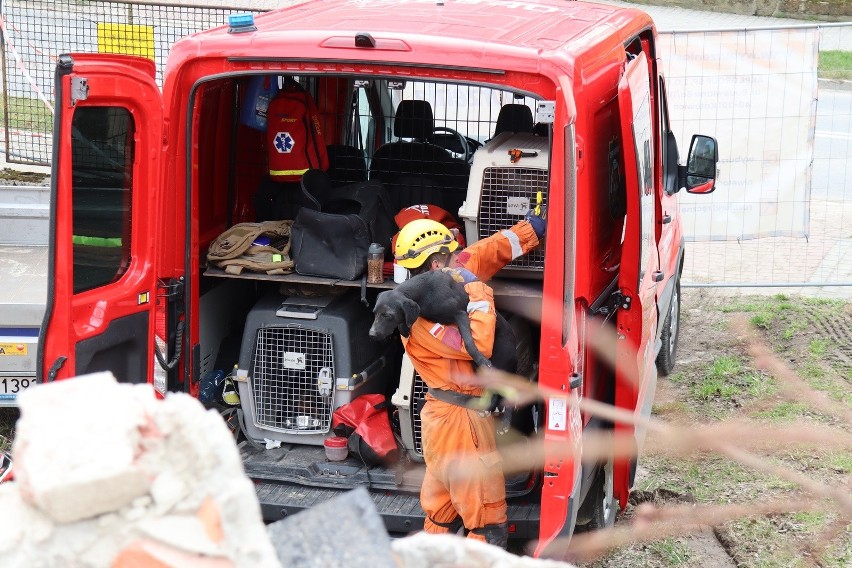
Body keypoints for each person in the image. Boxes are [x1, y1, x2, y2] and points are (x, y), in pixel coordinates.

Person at [392, 210, 546, 548]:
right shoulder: (414, 321)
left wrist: (531, 229)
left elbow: (486, 252)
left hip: (442, 421)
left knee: (441, 510)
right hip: (460, 427)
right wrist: (477, 291)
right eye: (448, 259)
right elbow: (477, 343)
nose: (456, 263)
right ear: (435, 265)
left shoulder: (445, 277)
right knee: (486, 519)